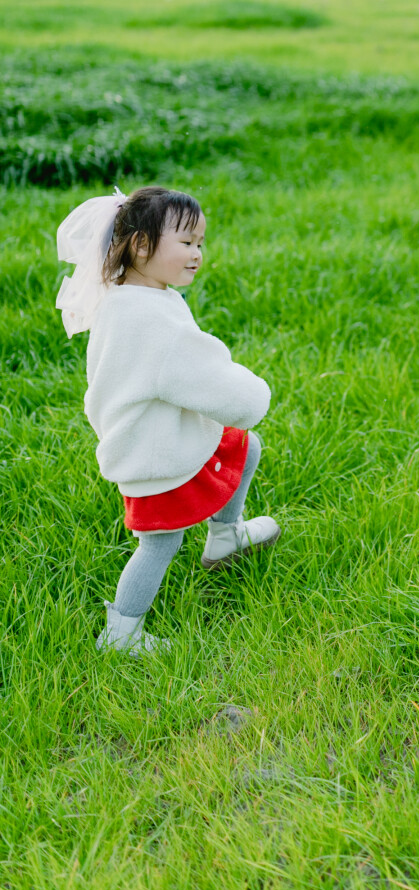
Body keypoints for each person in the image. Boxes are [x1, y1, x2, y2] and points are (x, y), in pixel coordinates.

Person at [56, 186, 281, 656]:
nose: (197, 254)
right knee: (159, 543)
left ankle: (224, 536)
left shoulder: (128, 296)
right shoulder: (154, 323)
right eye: (186, 242)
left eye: (200, 243)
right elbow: (209, 380)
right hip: (153, 453)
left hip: (158, 433)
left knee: (243, 445)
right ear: (141, 245)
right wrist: (254, 394)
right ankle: (122, 632)